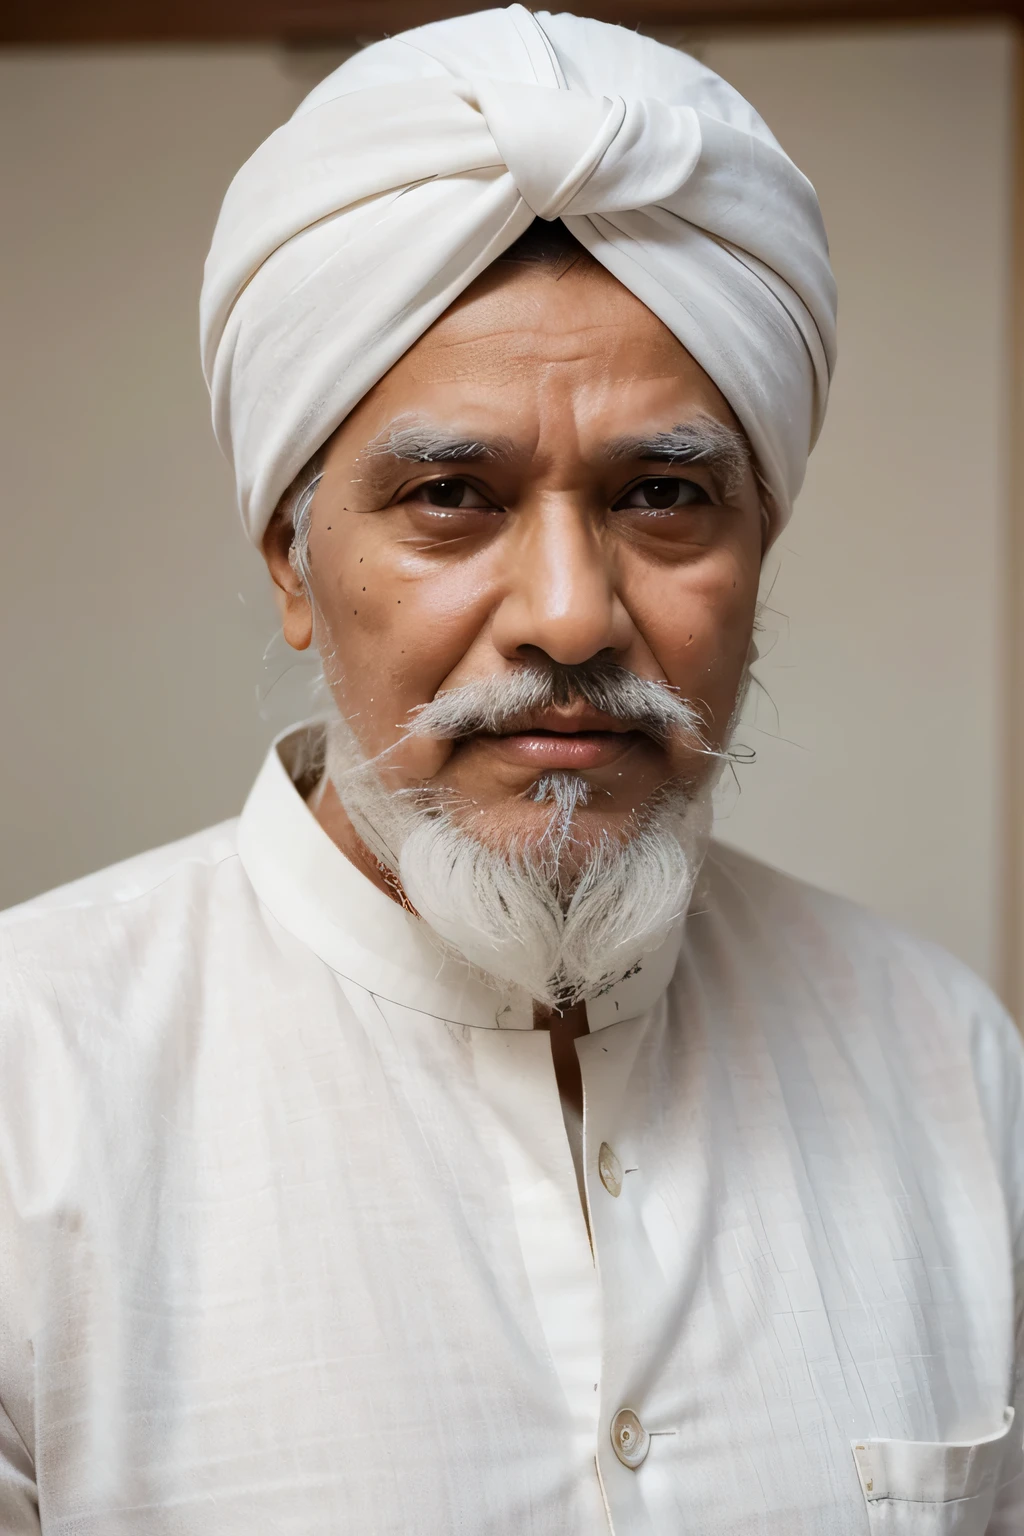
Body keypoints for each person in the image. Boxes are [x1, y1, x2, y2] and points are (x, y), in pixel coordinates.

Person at [0, 6, 1021, 1532]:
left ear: (759, 545)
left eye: (664, 493)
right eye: (453, 496)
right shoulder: (32, 1096)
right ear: (292, 556)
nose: (567, 615)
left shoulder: (947, 1064)